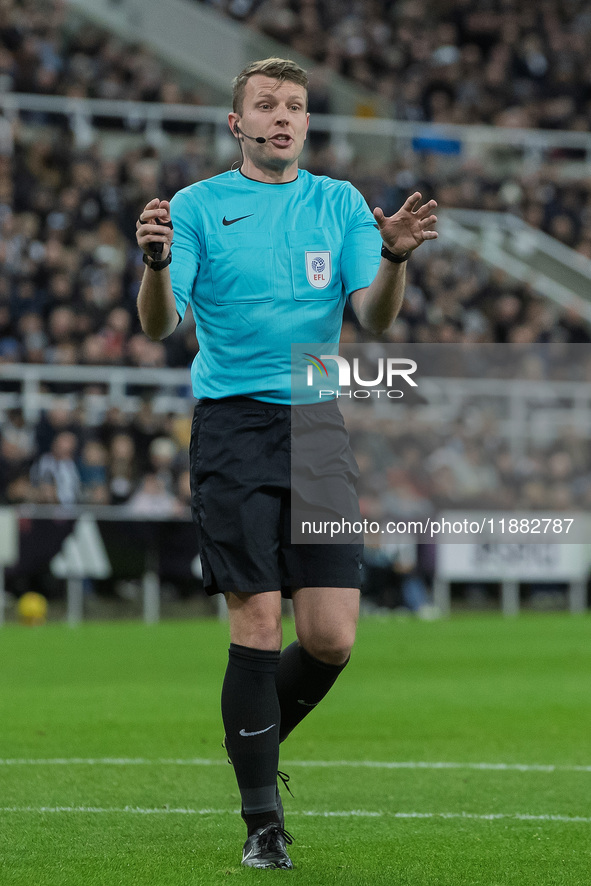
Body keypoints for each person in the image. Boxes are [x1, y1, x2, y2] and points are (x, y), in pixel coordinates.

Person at [136, 57, 437, 870]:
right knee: (259, 626)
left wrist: (395, 259)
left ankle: (252, 737)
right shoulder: (198, 206)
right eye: (265, 104)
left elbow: (370, 318)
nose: (282, 115)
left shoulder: (336, 202)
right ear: (236, 124)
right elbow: (163, 325)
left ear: (307, 124)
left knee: (334, 638)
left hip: (317, 424)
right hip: (232, 428)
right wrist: (157, 266)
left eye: (295, 106)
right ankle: (262, 823)